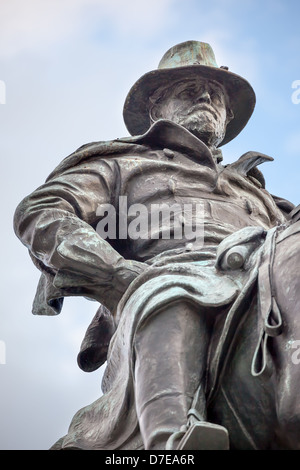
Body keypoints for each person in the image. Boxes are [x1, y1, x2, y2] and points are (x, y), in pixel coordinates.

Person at [14, 41, 297, 450]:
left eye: (216, 96)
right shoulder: (120, 163)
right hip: (173, 280)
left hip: (262, 283)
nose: (206, 98)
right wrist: (114, 273)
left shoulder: (262, 195)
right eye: (189, 89)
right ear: (156, 108)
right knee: (170, 288)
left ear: (228, 115)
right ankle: (173, 439)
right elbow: (41, 211)